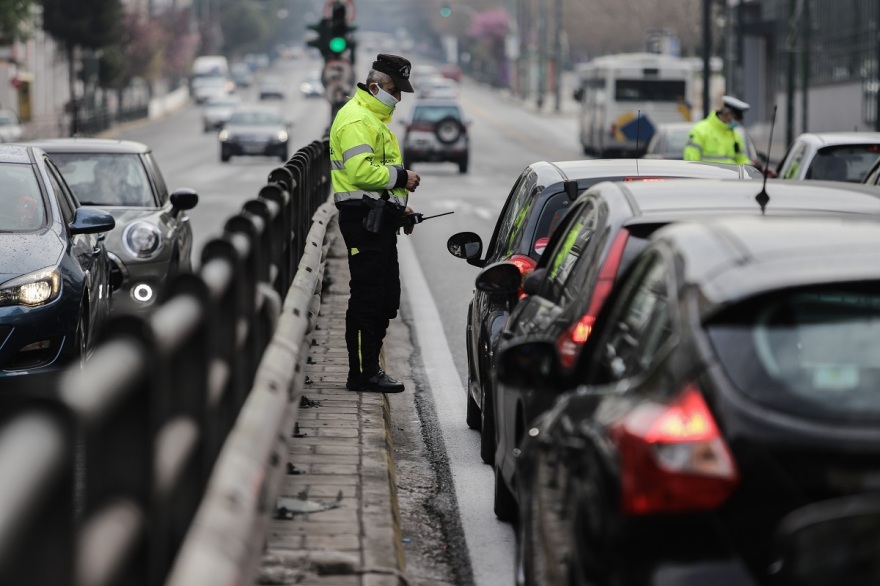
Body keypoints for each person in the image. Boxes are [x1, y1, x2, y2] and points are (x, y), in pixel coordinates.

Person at [329, 54, 422, 393]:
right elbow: (360, 173)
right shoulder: (357, 119)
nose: (397, 98)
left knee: (385, 299)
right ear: (374, 87)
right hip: (362, 222)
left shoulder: (373, 119)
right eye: (394, 91)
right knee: (368, 298)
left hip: (378, 221)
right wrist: (402, 176)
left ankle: (371, 368)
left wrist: (400, 211)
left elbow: (376, 185)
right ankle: (363, 374)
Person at [684, 95, 753, 166]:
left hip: (730, 173)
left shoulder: (735, 136)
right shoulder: (699, 131)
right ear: (726, 113)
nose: (736, 122)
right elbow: (692, 161)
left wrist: (750, 166)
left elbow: (741, 159)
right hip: (706, 173)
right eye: (735, 118)